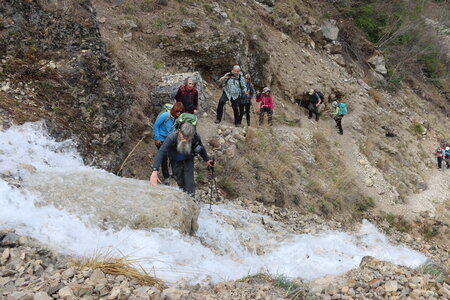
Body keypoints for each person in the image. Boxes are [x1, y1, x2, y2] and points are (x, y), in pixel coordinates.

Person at [150, 121, 215, 197]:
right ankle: (184, 196)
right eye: (182, 136)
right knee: (180, 182)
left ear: (191, 136)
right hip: (175, 161)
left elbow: (200, 148)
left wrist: (207, 159)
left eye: (187, 138)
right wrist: (155, 170)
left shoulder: (196, 137)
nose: (184, 139)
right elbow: (161, 152)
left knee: (190, 182)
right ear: (179, 132)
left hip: (188, 159)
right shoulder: (172, 137)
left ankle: (192, 199)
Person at [153, 102, 185, 185]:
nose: (179, 114)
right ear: (174, 110)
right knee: (164, 158)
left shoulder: (177, 118)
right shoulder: (165, 115)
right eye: (178, 112)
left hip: (170, 139)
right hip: (161, 139)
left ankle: (174, 173)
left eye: (180, 112)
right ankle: (166, 177)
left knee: (173, 155)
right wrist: (157, 138)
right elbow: (156, 125)